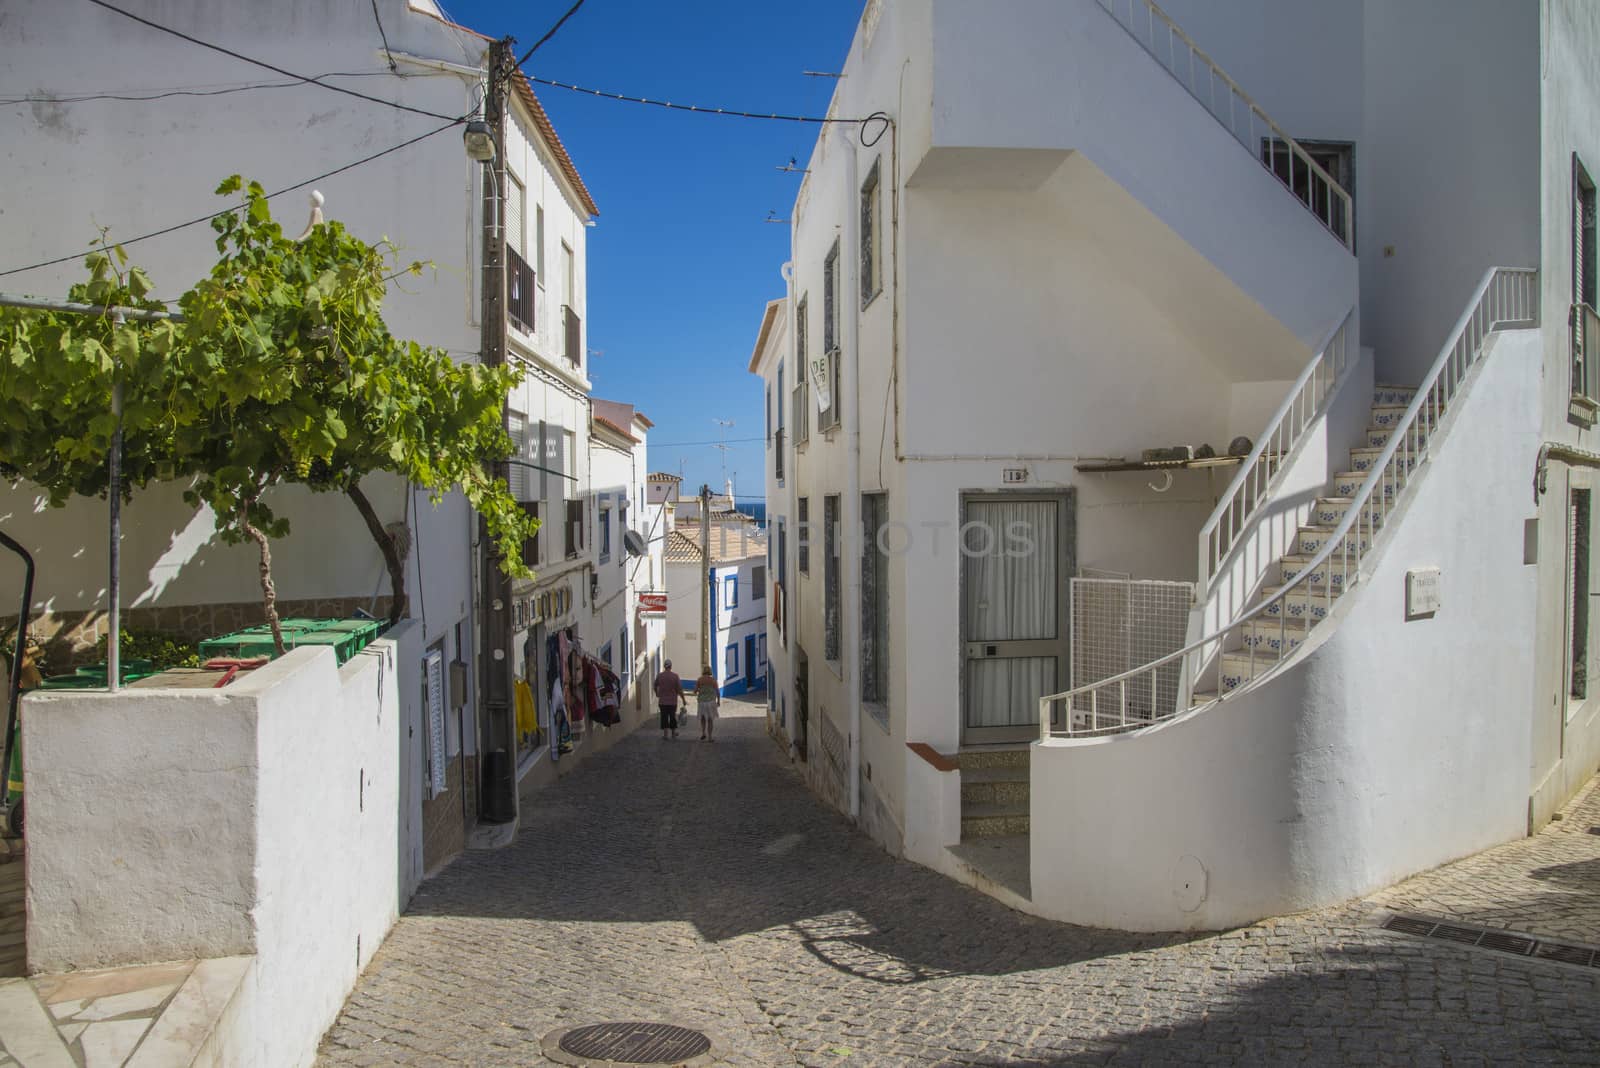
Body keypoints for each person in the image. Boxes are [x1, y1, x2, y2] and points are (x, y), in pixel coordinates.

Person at [654, 660, 683, 739]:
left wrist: (657, 693)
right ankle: (673, 733)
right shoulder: (675, 676)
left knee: (664, 717)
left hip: (662, 701)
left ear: (664, 666)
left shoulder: (660, 676)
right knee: (672, 716)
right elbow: (679, 689)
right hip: (672, 701)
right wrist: (683, 699)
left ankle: (665, 734)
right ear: (671, 666)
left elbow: (655, 685)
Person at [695, 666, 720, 741]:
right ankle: (710, 737)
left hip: (702, 702)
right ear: (710, 671)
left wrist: (698, 691)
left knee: (702, 718)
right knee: (710, 719)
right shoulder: (713, 680)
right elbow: (717, 692)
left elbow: (695, 690)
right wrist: (718, 701)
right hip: (711, 701)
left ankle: (703, 733)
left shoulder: (700, 680)